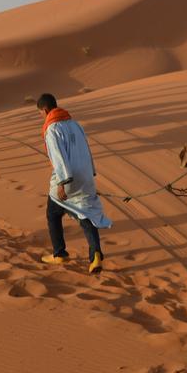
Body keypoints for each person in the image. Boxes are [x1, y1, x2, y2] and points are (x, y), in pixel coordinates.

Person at [37, 93, 112, 274]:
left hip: (67, 178)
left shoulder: (52, 129)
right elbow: (86, 149)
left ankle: (59, 253)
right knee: (85, 213)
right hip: (85, 175)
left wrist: (63, 182)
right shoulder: (75, 124)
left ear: (45, 110)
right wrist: (91, 173)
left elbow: (58, 156)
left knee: (52, 214)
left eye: (40, 113)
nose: (41, 116)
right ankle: (95, 255)